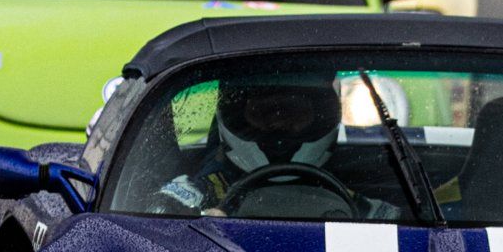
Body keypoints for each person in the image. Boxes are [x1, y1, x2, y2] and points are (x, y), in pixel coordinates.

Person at [157, 75, 376, 219]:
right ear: (236, 117)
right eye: (264, 112)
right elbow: (161, 208)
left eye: (293, 111)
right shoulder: (206, 190)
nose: (279, 123)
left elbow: (388, 219)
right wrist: (199, 221)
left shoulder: (354, 201)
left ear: (320, 117)